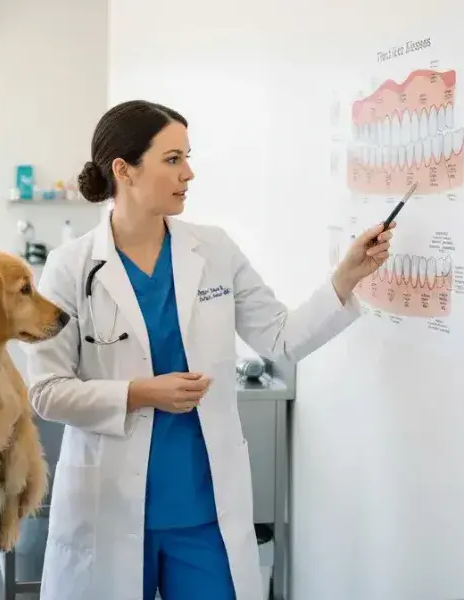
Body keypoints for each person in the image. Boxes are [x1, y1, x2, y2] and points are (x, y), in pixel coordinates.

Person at [21, 100, 394, 600]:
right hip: (108, 504)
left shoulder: (214, 250)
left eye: (187, 158)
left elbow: (281, 337)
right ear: (124, 170)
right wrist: (138, 393)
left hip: (204, 510)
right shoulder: (72, 266)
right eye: (173, 159)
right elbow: (46, 391)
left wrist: (346, 277)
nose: (189, 173)